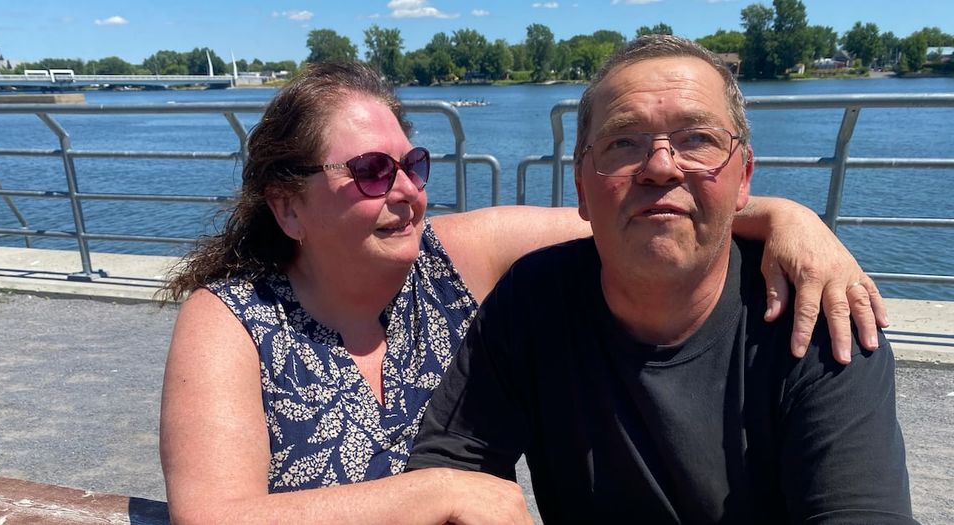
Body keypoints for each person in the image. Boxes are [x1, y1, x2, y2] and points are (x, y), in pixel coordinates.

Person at [159, 60, 889, 523]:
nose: (407, 190)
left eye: (414, 164)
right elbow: (211, 515)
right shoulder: (234, 318)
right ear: (288, 207)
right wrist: (435, 492)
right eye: (373, 171)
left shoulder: (455, 260)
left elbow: (639, 214)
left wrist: (792, 221)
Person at [407, 35, 916, 523]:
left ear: (743, 178)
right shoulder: (532, 302)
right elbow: (449, 469)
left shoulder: (816, 321)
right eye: (623, 142)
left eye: (698, 139)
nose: (660, 166)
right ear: (581, 187)